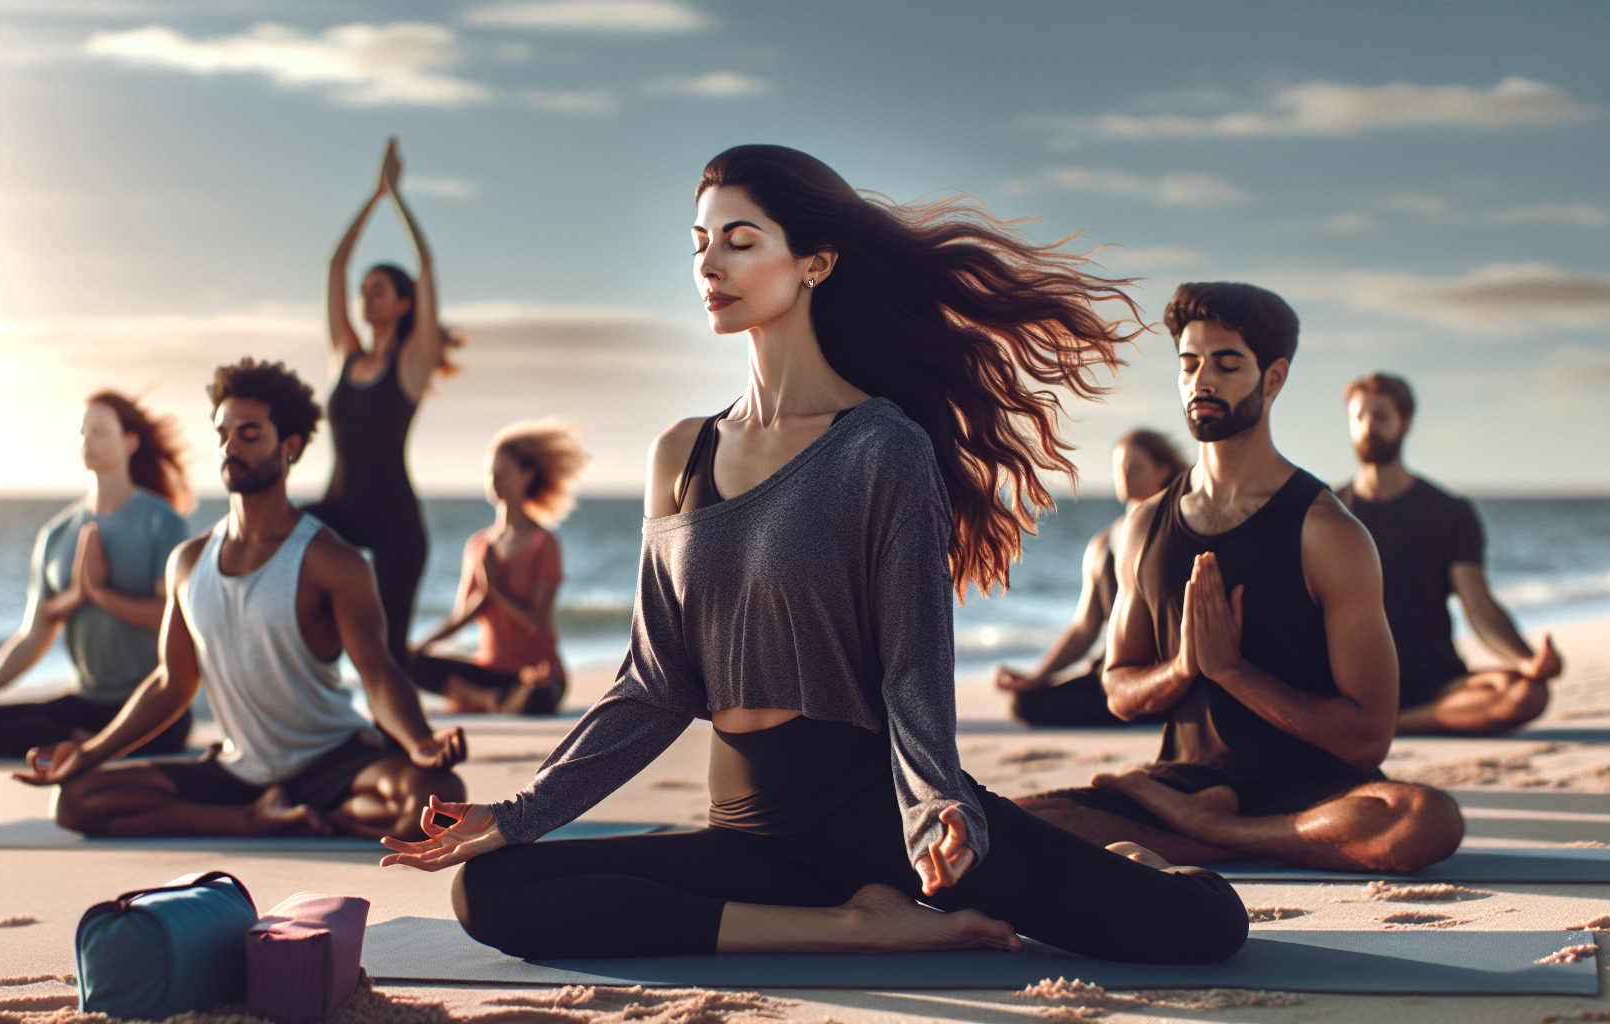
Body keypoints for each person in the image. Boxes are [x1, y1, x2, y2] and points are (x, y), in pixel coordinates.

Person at [377, 146, 1248, 965]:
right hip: (746, 830)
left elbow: (913, 666)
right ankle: (855, 927)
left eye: (739, 240)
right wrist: (519, 813)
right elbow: (654, 682)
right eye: (699, 244)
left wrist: (936, 806)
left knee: (1202, 925)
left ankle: (1124, 860)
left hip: (879, 819)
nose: (709, 265)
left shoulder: (881, 448)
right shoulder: (679, 454)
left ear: (815, 263)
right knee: (493, 888)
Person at [1015, 282, 1464, 874]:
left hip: (1313, 793)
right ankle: (1244, 835)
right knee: (1005, 824)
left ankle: (1217, 834)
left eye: (1226, 365)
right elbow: (1119, 691)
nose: (1202, 381)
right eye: (1189, 364)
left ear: (1273, 379)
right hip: (1179, 787)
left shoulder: (1329, 533)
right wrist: (1183, 667)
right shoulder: (1145, 527)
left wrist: (1232, 671)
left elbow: (1367, 739)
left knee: (1424, 819)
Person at [14, 359, 467, 841]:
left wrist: (419, 741)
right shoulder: (188, 562)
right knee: (75, 800)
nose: (231, 446)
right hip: (239, 771)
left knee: (437, 799)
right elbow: (172, 684)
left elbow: (377, 673)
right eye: (223, 433)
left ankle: (307, 816)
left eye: (249, 434)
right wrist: (89, 753)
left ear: (290, 445)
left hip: (335, 760)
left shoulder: (332, 561)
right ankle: (255, 818)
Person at [0, 393, 194, 758]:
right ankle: (85, 739)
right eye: (82, 433)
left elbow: (171, 615)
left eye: (99, 432)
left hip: (151, 702)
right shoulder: (56, 535)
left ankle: (90, 742)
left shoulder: (162, 521)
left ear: (130, 442)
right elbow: (33, 636)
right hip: (86, 701)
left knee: (169, 729)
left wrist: (99, 593)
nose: (88, 442)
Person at [306, 138, 461, 664]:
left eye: (378, 289)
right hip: (338, 512)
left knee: (391, 654)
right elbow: (334, 266)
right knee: (278, 540)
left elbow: (427, 267)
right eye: (364, 289)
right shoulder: (345, 356)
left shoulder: (412, 366)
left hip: (396, 524)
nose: (365, 295)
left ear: (402, 304)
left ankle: (421, 715)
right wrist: (373, 197)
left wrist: (398, 198)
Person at [1337, 373, 1561, 735]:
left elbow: (1478, 605)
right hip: (1352, 686)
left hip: (1437, 684)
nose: (1368, 427)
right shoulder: (1328, 512)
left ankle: (1390, 725)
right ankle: (1371, 718)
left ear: (1405, 422)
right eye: (1358, 417)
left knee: (1527, 693)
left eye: (1380, 416)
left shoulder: (1448, 512)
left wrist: (1527, 659)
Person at [994, 429, 1188, 726]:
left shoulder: (1180, 531)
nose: (1124, 475)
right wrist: (1038, 676)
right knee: (1026, 702)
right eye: (1119, 467)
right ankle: (1133, 705)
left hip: (1165, 671)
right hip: (1112, 672)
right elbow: (1085, 626)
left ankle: (1153, 704)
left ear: (1163, 471)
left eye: (1135, 467)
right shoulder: (1103, 543)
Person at [410, 419, 588, 716]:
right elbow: (464, 615)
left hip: (538, 673)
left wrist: (496, 589)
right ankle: (487, 698)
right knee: (409, 664)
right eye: (490, 473)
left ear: (527, 475)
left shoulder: (544, 544)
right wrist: (419, 646)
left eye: (502, 472)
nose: (494, 480)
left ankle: (491, 698)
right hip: (489, 672)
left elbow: (537, 623)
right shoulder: (478, 545)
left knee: (537, 693)